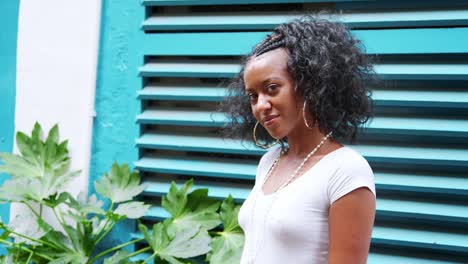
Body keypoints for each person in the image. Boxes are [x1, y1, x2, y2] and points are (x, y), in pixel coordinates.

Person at [220, 15, 376, 264]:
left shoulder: (346, 170)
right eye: (252, 96)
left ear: (309, 85)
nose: (261, 105)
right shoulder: (269, 162)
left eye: (272, 88)